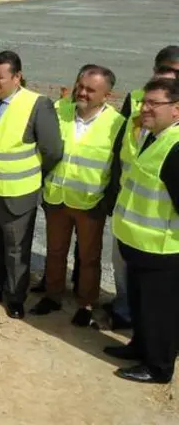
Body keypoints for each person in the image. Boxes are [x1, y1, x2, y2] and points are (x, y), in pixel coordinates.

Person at [0, 50, 63, 319]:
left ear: (17, 77)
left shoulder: (37, 105)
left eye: (0, 77)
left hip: (17, 194)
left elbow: (53, 150)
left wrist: (31, 175)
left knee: (16, 249)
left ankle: (15, 296)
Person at [29, 65, 125, 327]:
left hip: (90, 203)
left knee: (89, 257)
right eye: (80, 86)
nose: (82, 93)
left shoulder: (117, 124)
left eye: (90, 90)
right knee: (55, 251)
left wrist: (107, 203)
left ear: (107, 95)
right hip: (56, 197)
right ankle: (53, 295)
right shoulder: (59, 111)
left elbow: (118, 168)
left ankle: (86, 303)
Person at [106, 78, 179, 384]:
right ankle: (139, 346)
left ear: (176, 109)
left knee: (159, 312)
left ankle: (158, 367)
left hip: (160, 249)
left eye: (153, 103)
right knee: (140, 305)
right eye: (144, 102)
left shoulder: (175, 147)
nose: (144, 108)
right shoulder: (153, 137)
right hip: (137, 244)